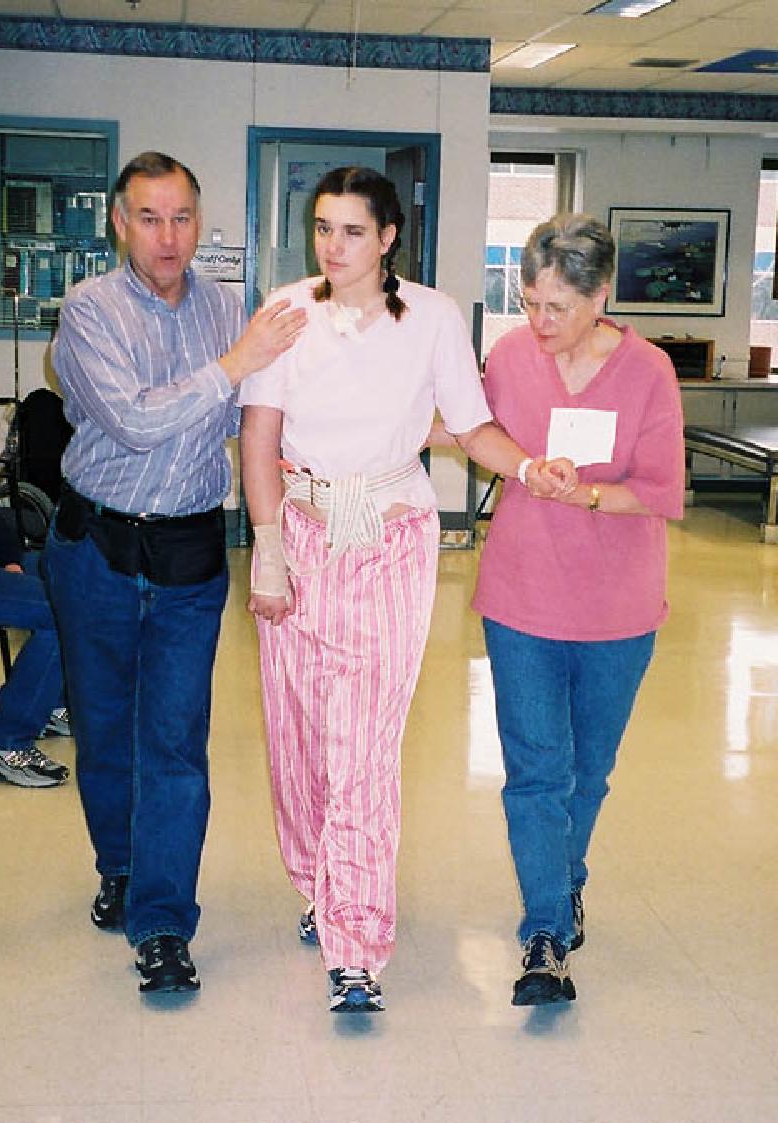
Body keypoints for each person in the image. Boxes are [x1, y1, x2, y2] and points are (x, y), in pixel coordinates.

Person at [239, 165, 573, 1014]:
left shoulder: (431, 316)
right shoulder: (286, 310)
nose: (333, 246)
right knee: (300, 737)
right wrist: (268, 550)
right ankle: (318, 880)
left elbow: (471, 425)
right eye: (323, 228)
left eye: (353, 231)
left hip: (391, 539)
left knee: (364, 745)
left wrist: (528, 467)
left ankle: (357, 945)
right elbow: (260, 435)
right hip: (301, 532)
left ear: (388, 237)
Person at [42, 151, 306, 996]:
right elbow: (133, 420)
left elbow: (259, 417)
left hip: (190, 553)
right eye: (150, 218)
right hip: (96, 548)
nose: (168, 236)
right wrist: (232, 365)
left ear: (200, 221)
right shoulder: (89, 310)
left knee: (175, 741)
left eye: (182, 218)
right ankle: (120, 866)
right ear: (120, 223)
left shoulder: (228, 308)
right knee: (104, 729)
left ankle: (162, 923)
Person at [472, 213, 685, 1007]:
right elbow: (474, 429)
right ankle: (546, 933)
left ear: (601, 296)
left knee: (585, 773)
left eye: (557, 306)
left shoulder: (648, 371)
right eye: (529, 302)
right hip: (520, 598)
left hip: (617, 610)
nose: (539, 320)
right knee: (536, 772)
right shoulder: (509, 356)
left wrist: (585, 492)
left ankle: (565, 881)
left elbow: (659, 490)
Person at [0, 499, 69, 788]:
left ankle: (50, 704)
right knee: (63, 611)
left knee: (75, 576)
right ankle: (6, 743)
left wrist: (11, 561)